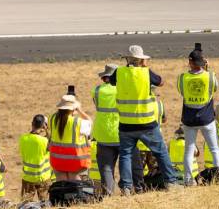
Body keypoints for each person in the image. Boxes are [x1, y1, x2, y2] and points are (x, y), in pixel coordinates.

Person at [112, 45, 179, 194]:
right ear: (141, 60)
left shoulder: (119, 72)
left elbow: (111, 81)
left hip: (126, 124)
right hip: (146, 123)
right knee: (161, 152)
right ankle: (171, 182)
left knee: (125, 155)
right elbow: (161, 82)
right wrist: (145, 67)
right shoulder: (146, 73)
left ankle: (127, 187)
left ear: (127, 59)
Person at [176, 45, 219, 183]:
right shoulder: (210, 76)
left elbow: (182, 92)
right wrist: (207, 70)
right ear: (202, 63)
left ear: (189, 62)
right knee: (214, 149)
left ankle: (189, 180)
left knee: (189, 150)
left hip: (189, 120)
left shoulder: (182, 78)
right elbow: (215, 88)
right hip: (207, 119)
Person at [48, 93, 92, 181]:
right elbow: (90, 123)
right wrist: (80, 111)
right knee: (74, 182)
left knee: (61, 182)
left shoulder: (52, 119)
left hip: (57, 159)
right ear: (73, 108)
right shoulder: (78, 122)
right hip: (74, 160)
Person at [91, 64, 120, 196]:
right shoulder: (123, 90)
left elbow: (96, 105)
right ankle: (128, 191)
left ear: (104, 78)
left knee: (106, 168)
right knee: (126, 165)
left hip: (103, 134)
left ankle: (109, 195)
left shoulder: (96, 91)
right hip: (122, 132)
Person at [18, 114, 52, 202]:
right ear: (43, 126)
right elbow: (52, 145)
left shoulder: (23, 138)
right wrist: (47, 131)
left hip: (28, 177)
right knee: (45, 203)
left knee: (25, 204)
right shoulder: (44, 141)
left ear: (32, 123)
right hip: (43, 178)